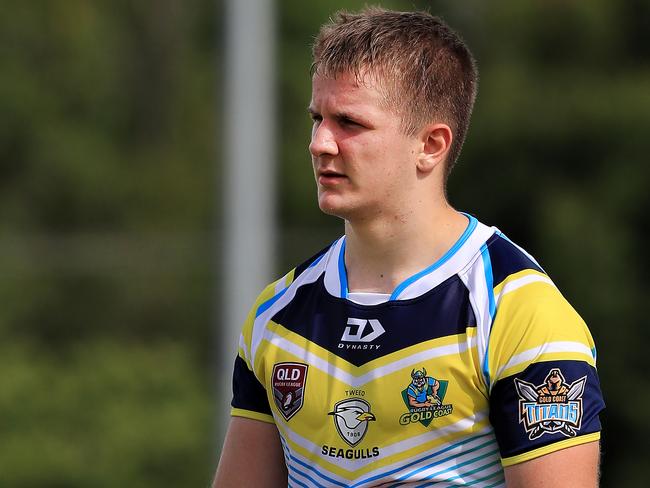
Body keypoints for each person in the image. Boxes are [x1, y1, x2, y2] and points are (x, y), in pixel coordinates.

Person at [214, 7, 604, 487]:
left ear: (431, 145)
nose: (320, 143)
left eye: (349, 123)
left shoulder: (517, 310)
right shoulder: (277, 316)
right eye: (317, 118)